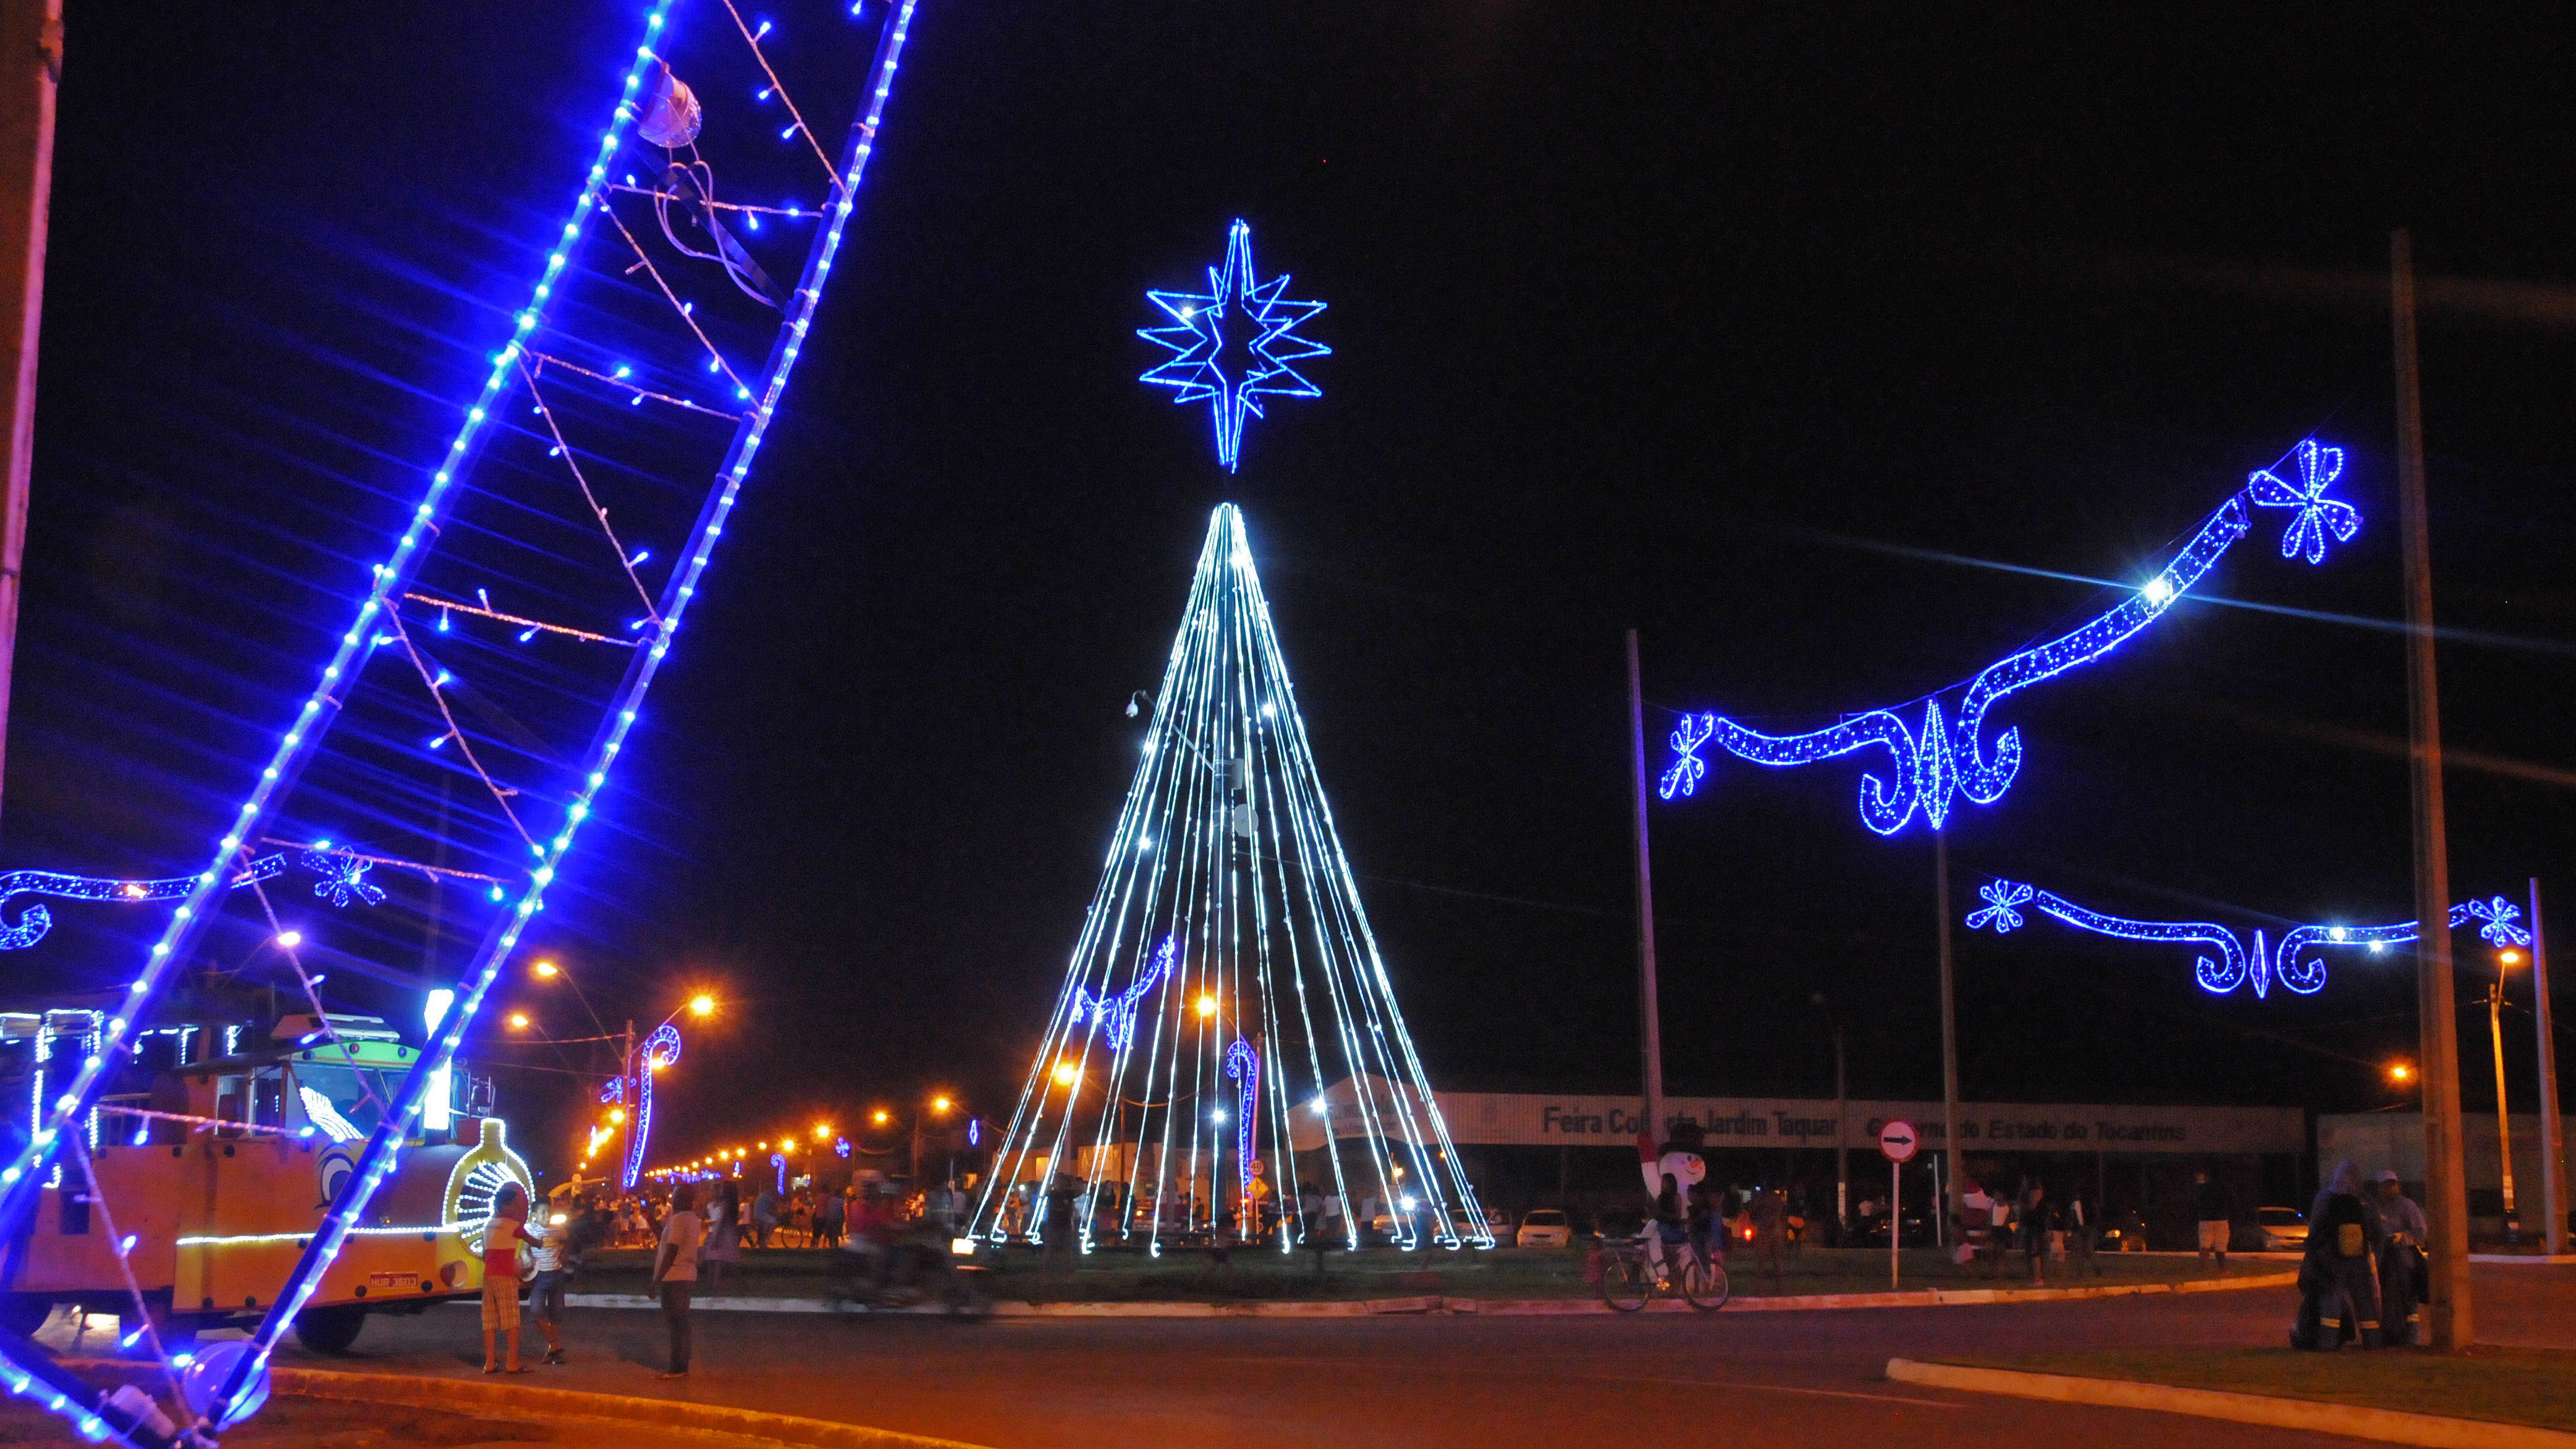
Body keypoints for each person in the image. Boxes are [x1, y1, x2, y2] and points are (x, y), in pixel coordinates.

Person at [2292, 1160, 2383, 1350]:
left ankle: (2327, 1345)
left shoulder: (2325, 1198)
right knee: (2365, 1303)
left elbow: (2314, 1231)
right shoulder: (2364, 1200)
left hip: (2332, 1261)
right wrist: (2374, 1258)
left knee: (2330, 1304)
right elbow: (2377, 1233)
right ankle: (2373, 1343)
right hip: (2359, 1261)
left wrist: (2314, 1258)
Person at [2368, 1169, 2429, 1346]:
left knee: (2409, 1303)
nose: (2390, 1188)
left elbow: (2421, 1233)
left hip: (2405, 1262)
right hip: (2384, 1262)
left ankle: (2411, 1339)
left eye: (2393, 1184)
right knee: (2389, 1300)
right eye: (2386, 1185)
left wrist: (2402, 1238)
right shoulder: (2376, 1208)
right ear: (2379, 1187)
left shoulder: (2407, 1206)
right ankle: (2392, 1335)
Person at [652, 1182, 704, 1379]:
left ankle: (678, 1367)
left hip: (675, 1277)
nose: (672, 1198)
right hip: (686, 1275)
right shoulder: (690, 1219)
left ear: (683, 1199)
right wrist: (650, 1220)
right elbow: (666, 1241)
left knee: (676, 1323)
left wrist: (657, 1281)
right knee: (681, 1322)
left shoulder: (681, 1219)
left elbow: (672, 1250)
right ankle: (682, 1363)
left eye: (675, 1195)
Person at [480, 1183, 533, 1374]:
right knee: (512, 1322)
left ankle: (490, 1363)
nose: (518, 1208)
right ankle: (512, 1363)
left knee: (489, 1322)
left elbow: (484, 1254)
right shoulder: (514, 1226)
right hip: (506, 1276)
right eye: (515, 1204)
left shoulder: (488, 1224)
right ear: (506, 1206)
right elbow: (535, 1242)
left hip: (489, 1277)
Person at [526, 1189, 571, 1365]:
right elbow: (523, 1246)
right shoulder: (529, 1229)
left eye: (549, 1212)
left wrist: (565, 1255)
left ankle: (553, 1351)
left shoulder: (558, 1229)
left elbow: (568, 1240)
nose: (547, 1215)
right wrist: (527, 1258)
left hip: (557, 1274)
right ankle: (555, 1344)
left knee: (556, 1313)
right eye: (543, 1212)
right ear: (534, 1214)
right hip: (539, 1276)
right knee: (536, 1312)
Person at [703, 1180, 743, 1289]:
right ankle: (715, 1283)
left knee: (717, 1260)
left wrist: (715, 1238)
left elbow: (720, 1222)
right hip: (722, 1235)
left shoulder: (725, 1205)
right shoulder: (729, 1205)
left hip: (719, 1235)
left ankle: (714, 1284)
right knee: (720, 1261)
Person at [1747, 1185, 1788, 1292]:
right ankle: (1780, 1287)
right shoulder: (1777, 1199)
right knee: (1777, 1261)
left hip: (1765, 1230)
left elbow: (1753, 1213)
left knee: (1762, 1261)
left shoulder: (1761, 1198)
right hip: (1776, 1230)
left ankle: (1761, 1287)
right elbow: (1781, 1213)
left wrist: (1759, 1220)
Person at [2192, 1168, 2231, 1267]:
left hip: (2207, 1220)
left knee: (2206, 1245)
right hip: (2219, 1219)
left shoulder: (2201, 1189)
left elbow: (2196, 1202)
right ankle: (2221, 1269)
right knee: (2219, 1246)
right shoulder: (2223, 1186)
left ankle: (2203, 1268)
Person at [2017, 1181, 2051, 1286]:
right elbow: (2023, 1220)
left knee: (2036, 1255)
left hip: (2036, 1234)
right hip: (2030, 1233)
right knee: (2030, 1255)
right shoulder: (2028, 1206)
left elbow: (2043, 1220)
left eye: (2037, 1193)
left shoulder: (2042, 1207)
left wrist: (2047, 1232)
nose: (2034, 1195)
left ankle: (2038, 1278)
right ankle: (2033, 1276)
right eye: (2033, 1193)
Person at [814, 1184, 847, 1249]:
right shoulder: (834, 1199)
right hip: (831, 1219)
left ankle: (818, 1246)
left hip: (822, 1218)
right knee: (833, 1233)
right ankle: (834, 1244)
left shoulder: (820, 1197)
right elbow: (841, 1211)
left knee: (823, 1233)